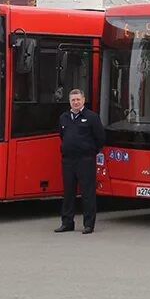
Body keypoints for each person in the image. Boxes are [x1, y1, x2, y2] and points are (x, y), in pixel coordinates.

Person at [56, 88, 105, 234]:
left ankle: (88, 224)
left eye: (78, 99)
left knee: (87, 193)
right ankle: (67, 222)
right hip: (68, 160)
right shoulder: (64, 117)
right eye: (73, 100)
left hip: (85, 160)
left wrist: (90, 151)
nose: (76, 102)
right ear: (70, 102)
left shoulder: (92, 117)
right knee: (68, 192)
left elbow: (100, 138)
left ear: (83, 100)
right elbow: (62, 135)